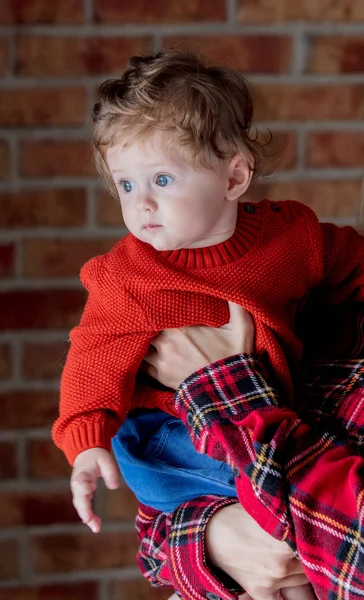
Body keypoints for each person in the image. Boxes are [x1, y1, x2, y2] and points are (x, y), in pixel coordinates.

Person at [51, 49, 364, 597]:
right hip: (164, 440)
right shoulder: (127, 276)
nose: (140, 204)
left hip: (254, 428)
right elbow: (93, 354)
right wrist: (85, 442)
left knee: (280, 520)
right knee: (275, 510)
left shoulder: (290, 239)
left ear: (234, 175)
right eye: (126, 186)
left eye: (162, 179)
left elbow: (350, 262)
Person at [137, 302, 364, 599]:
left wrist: (223, 386)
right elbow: (153, 544)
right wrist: (211, 539)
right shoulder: (329, 317)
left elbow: (352, 560)